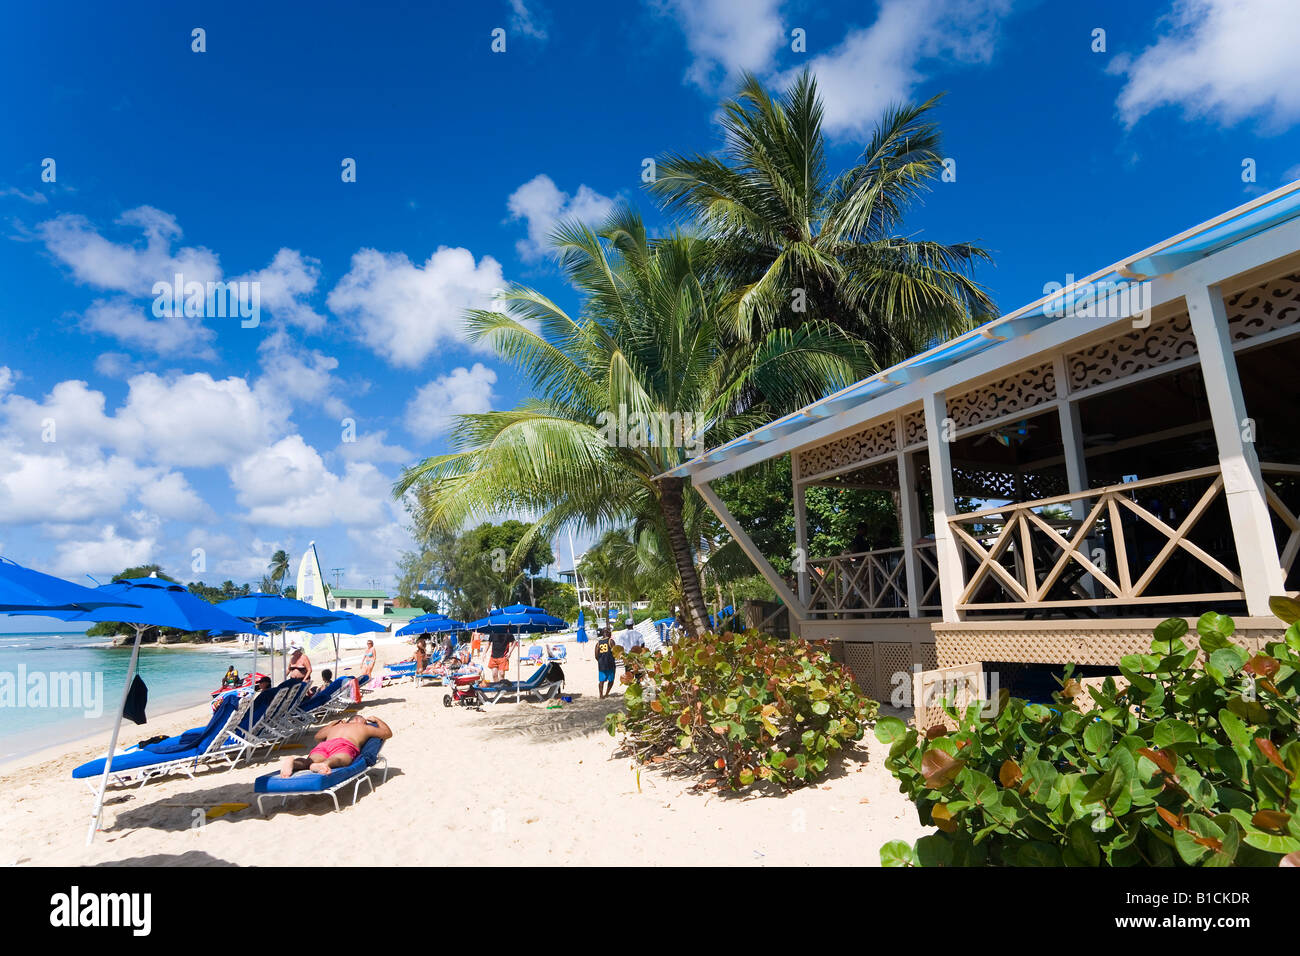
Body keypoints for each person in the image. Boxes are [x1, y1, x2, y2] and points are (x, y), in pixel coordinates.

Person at [278, 713, 392, 777]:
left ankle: (294, 762)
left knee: (309, 761)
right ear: (361, 720)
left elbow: (318, 736)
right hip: (345, 745)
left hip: (325, 745)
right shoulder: (364, 727)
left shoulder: (336, 727)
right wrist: (376, 719)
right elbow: (387, 733)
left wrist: (333, 724)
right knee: (339, 759)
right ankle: (325, 764)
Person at [594, 627, 617, 699]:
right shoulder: (611, 641)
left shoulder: (598, 643)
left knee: (601, 681)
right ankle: (607, 693)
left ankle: (601, 695)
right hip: (610, 663)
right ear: (608, 633)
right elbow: (616, 652)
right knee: (611, 680)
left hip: (601, 664)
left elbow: (596, 655)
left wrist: (600, 661)